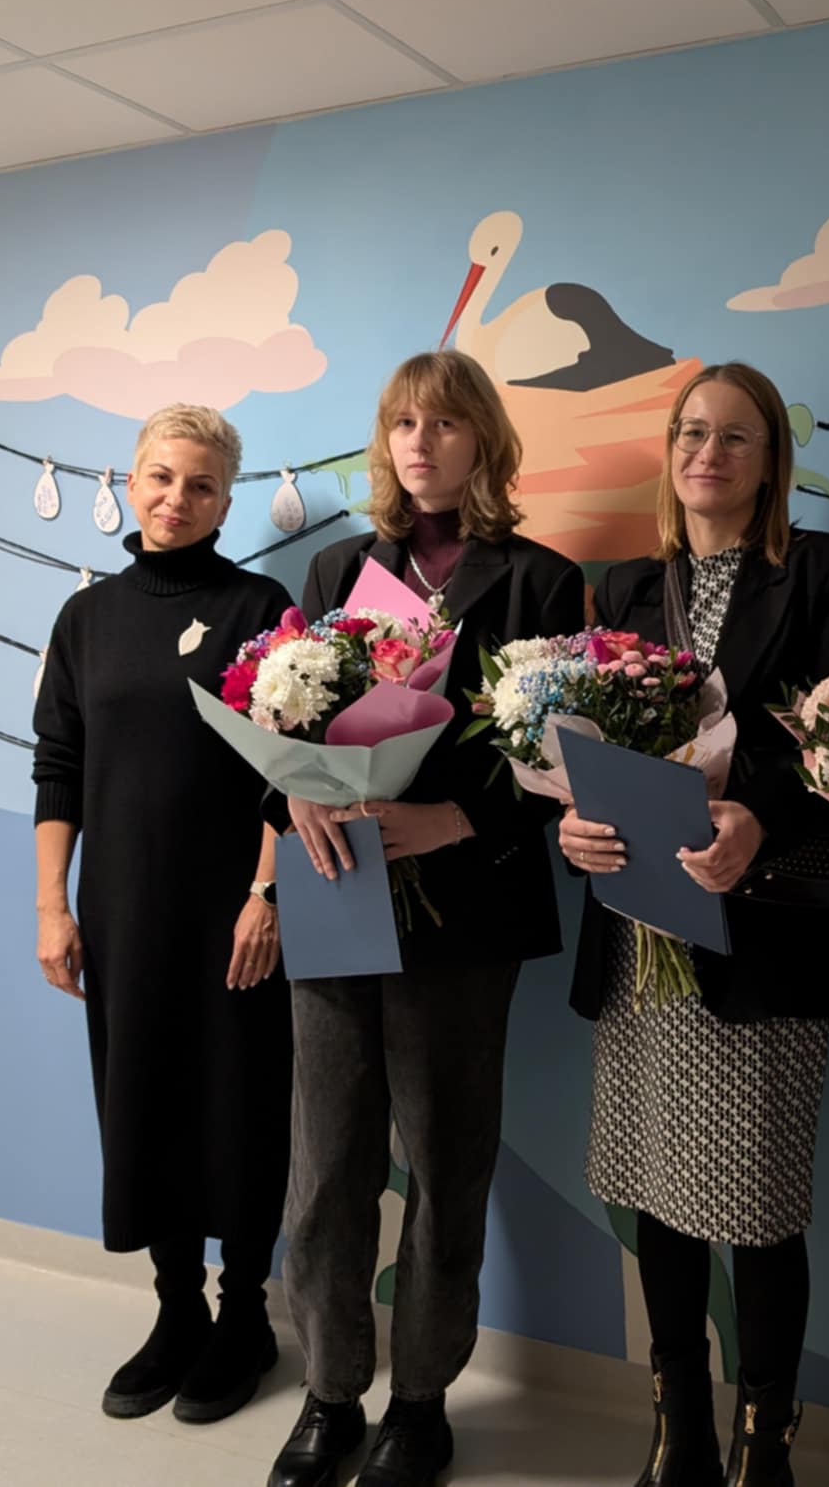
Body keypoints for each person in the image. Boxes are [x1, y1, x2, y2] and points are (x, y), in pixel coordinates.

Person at [558, 362, 829, 1487]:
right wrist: (575, 824)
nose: (709, 452)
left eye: (736, 435)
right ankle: (679, 1426)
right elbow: (589, 748)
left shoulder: (827, 572)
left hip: (759, 937)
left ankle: (765, 1442)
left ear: (770, 458)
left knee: (758, 1203)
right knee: (658, 1190)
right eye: (691, 432)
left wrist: (761, 817)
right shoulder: (626, 587)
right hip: (638, 936)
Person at [268, 349, 584, 1487]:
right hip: (335, 888)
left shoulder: (542, 582)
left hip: (465, 907)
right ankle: (329, 1392)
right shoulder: (336, 566)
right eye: (404, 422)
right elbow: (284, 713)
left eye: (445, 423)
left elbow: (565, 760)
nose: (421, 442)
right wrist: (296, 791)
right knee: (325, 1166)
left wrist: (458, 818)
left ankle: (419, 1401)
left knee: (446, 1165)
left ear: (483, 440)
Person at [32, 404, 293, 1425]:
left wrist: (264, 895)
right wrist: (52, 907)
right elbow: (59, 766)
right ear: (131, 483)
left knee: (239, 1103)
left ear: (226, 501)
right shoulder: (86, 619)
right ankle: (176, 1309)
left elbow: (289, 768)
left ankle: (245, 1317)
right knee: (142, 1098)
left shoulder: (259, 606)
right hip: (124, 908)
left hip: (233, 912)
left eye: (200, 484)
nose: (176, 498)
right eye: (161, 477)